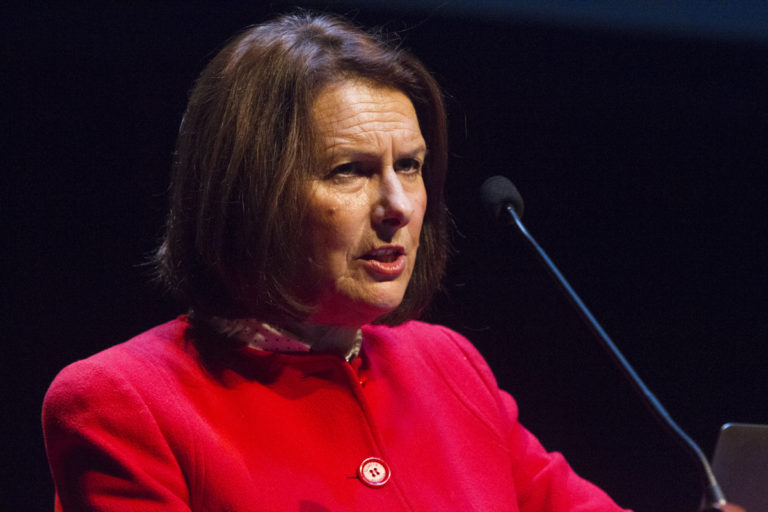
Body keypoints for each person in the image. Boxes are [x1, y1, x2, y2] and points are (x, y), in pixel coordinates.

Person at [43, 11, 724, 511]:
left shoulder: (447, 366)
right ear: (247, 192)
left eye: (411, 167)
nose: (397, 205)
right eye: (350, 170)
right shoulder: (123, 402)